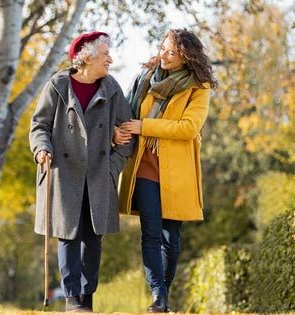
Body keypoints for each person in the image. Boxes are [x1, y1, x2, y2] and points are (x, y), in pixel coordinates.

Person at [113, 28, 218, 312]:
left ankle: (164, 294)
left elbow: (188, 128)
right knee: (151, 233)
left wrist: (145, 126)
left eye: (172, 52)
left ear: (186, 58)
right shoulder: (146, 78)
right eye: (163, 48)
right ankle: (158, 296)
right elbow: (126, 112)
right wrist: (118, 131)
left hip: (177, 171)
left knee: (172, 237)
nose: (164, 55)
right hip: (145, 165)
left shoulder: (198, 88)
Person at [29, 31, 134, 312]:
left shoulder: (112, 88)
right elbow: (39, 125)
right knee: (68, 235)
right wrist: (41, 148)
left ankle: (87, 298)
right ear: (86, 58)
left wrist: (112, 167)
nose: (110, 60)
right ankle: (72, 299)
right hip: (65, 172)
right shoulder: (57, 85)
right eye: (104, 55)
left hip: (99, 174)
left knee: (93, 237)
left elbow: (128, 134)